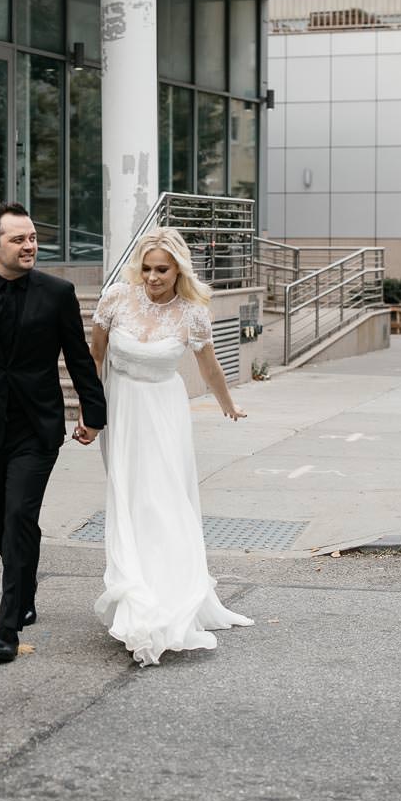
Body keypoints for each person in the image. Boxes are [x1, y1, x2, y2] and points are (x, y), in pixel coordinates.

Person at [0, 203, 106, 665]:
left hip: (37, 426)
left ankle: (6, 628)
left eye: (32, 238)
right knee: (0, 517)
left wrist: (93, 413)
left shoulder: (58, 293)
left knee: (20, 516)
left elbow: (79, 358)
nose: (30, 246)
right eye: (18, 239)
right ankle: (25, 587)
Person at [88, 227, 253, 667]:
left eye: (161, 269)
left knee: (165, 501)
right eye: (146, 268)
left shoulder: (192, 314)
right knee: (130, 500)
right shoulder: (116, 299)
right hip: (122, 409)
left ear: (178, 269)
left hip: (163, 413)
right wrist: (89, 410)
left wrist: (228, 404)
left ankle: (168, 595)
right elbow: (95, 356)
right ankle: (135, 588)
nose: (152, 277)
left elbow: (210, 367)